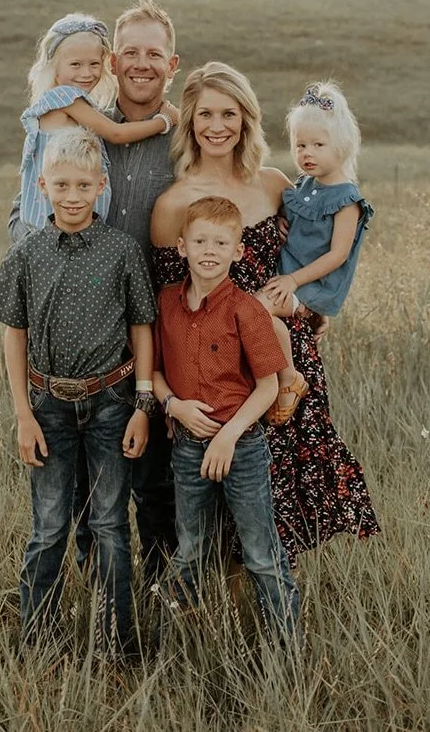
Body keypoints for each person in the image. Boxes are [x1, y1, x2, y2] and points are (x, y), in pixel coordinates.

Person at [151, 62, 380, 563]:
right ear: (189, 121)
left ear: (246, 119)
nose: (217, 126)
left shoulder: (276, 184)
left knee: (280, 492)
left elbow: (315, 249)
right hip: (215, 370)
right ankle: (221, 617)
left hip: (283, 359)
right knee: (223, 498)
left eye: (229, 113)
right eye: (205, 114)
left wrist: (315, 307)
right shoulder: (172, 205)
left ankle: (273, 614)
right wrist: (171, 395)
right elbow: (169, 307)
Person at [8, 0, 181, 584]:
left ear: (170, 63)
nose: (139, 63)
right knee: (83, 482)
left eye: (152, 53)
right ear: (113, 59)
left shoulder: (181, 138)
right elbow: (28, 199)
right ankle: (97, 586)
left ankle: (160, 585)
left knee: (155, 468)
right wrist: (34, 259)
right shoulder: (82, 123)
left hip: (161, 325)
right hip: (91, 330)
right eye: (129, 52)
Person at [0, 128, 158, 653]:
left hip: (111, 403)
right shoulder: (27, 253)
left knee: (109, 523)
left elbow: (142, 329)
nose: (73, 196)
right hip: (48, 407)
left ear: (102, 185)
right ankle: (37, 640)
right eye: (62, 185)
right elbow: (13, 334)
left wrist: (144, 406)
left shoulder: (122, 251)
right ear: (43, 185)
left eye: (84, 185)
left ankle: (115, 642)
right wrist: (23, 415)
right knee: (50, 527)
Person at [153, 196, 300, 640]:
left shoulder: (246, 309)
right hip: (186, 446)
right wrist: (172, 405)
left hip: (244, 446)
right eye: (200, 240)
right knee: (192, 548)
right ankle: (174, 647)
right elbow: (154, 372)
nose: (209, 250)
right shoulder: (166, 304)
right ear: (182, 247)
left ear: (238, 251)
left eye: (221, 242)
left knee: (259, 551)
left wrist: (229, 436)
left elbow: (269, 386)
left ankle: (286, 651)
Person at [256, 81, 374, 423]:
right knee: (255, 308)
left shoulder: (345, 199)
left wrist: (293, 281)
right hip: (292, 278)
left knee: (258, 309)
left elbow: (337, 255)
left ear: (342, 146)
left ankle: (289, 377)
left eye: (318, 145)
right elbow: (296, 222)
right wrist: (280, 221)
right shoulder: (304, 187)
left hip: (311, 286)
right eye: (300, 145)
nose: (306, 153)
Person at [18, 12, 174, 232]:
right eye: (76, 65)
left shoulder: (80, 109)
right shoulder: (64, 98)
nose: (86, 73)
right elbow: (116, 133)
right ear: (55, 67)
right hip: (55, 228)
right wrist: (164, 121)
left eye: (93, 64)